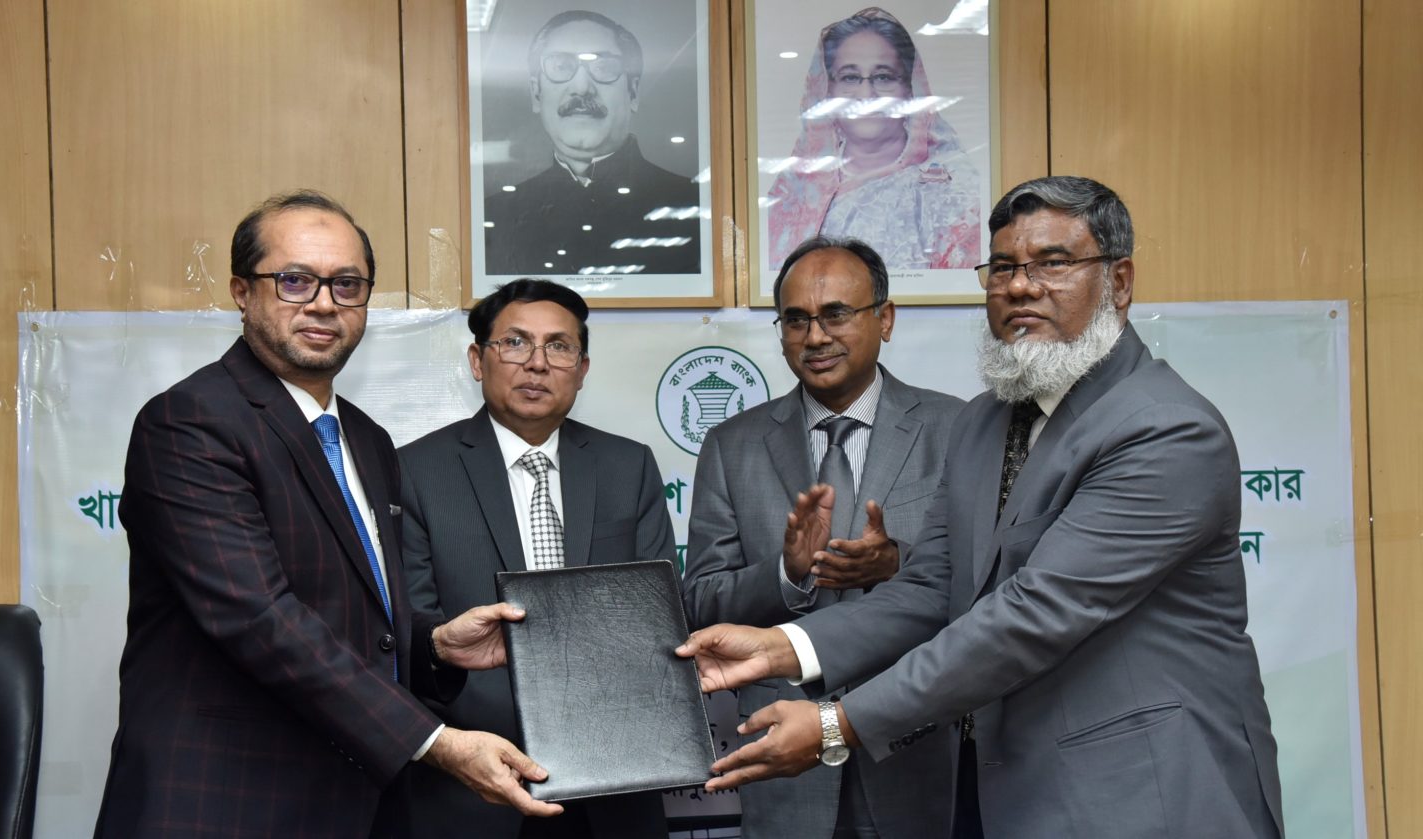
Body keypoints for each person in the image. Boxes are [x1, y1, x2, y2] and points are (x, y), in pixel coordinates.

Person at [678, 176, 1284, 838]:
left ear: (1119, 281)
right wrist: (782, 647)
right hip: (1005, 790)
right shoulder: (983, 422)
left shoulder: (1165, 428)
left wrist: (835, 724)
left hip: (1147, 793)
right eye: (1002, 268)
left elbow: (1033, 614)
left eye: (1053, 263)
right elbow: (933, 587)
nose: (1020, 286)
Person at [93, 191, 563, 839]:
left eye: (347, 284)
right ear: (241, 291)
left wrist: (434, 645)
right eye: (294, 280)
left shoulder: (366, 439)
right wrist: (433, 740)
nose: (323, 303)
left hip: (352, 800)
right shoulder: (190, 423)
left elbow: (351, 614)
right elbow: (260, 618)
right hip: (225, 802)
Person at [682, 236, 963, 837]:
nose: (815, 337)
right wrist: (785, 575)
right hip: (782, 753)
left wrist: (896, 562)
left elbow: (985, 579)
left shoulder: (957, 428)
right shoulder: (732, 446)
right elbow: (701, 599)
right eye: (796, 320)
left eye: (836, 314)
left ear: (885, 319)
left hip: (914, 741)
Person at [398, 278, 677, 838]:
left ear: (582, 368)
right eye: (515, 343)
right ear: (477, 360)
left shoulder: (628, 466)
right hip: (473, 780)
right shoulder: (414, 471)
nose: (537, 363)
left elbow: (661, 615)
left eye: (559, 346)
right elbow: (412, 628)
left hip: (615, 774)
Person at [484, 11, 701, 276]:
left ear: (633, 92)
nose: (582, 87)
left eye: (603, 67)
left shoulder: (695, 206)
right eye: (561, 66)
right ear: (536, 94)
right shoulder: (494, 214)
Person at [765, 7, 981, 273]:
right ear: (827, 90)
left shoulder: (953, 188)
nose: (866, 94)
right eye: (850, 77)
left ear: (909, 89)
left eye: (883, 77)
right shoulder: (794, 191)